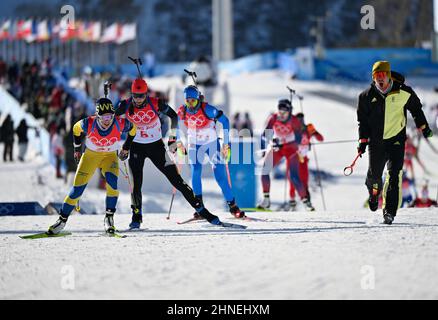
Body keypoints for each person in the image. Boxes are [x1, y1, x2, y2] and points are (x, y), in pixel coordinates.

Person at [115, 78, 221, 229]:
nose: (138, 99)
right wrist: (125, 145)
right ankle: (136, 217)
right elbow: (110, 120)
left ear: (146, 94)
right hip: (136, 147)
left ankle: (201, 210)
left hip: (156, 147)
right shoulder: (125, 105)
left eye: (141, 96)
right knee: (136, 184)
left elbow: (174, 116)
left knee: (176, 180)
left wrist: (172, 138)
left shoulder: (155, 103)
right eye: (135, 95)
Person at [356, 61, 433, 225]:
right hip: (376, 143)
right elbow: (363, 122)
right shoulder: (365, 97)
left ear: (389, 76)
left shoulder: (404, 92)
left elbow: (416, 110)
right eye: (377, 76)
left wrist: (423, 127)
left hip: (396, 141)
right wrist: (362, 141)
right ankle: (374, 193)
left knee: (394, 175)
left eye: (383, 75)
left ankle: (389, 212)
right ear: (373, 77)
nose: (380, 79)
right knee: (375, 177)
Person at [47, 98, 137, 235]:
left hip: (109, 157)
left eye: (110, 116)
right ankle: (61, 220)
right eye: (104, 117)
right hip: (90, 157)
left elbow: (133, 129)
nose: (108, 120)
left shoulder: (120, 123)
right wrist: (77, 149)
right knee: (77, 190)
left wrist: (126, 148)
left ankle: (109, 218)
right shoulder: (88, 123)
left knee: (113, 185)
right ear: (98, 116)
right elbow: (75, 129)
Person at [176, 85, 246, 219]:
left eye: (193, 101)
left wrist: (226, 144)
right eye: (188, 101)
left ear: (198, 100)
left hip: (212, 144)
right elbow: (175, 123)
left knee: (219, 175)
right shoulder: (183, 111)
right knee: (195, 171)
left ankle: (232, 206)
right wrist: (178, 142)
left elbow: (225, 121)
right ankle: (199, 207)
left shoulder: (207, 109)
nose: (190, 104)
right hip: (194, 144)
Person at [258, 99, 314, 211]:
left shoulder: (294, 121)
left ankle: (305, 201)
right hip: (278, 148)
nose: (281, 114)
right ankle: (266, 200)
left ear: (289, 111)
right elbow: (266, 134)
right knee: (265, 170)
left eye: (284, 111)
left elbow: (298, 139)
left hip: (290, 148)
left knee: (293, 176)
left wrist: (282, 141)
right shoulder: (273, 118)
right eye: (280, 111)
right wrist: (272, 141)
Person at [288, 113, 324, 211]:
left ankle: (307, 202)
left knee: (304, 182)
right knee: (292, 181)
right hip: (293, 159)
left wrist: (315, 132)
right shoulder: (291, 129)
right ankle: (292, 201)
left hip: (303, 160)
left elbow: (321, 139)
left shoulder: (308, 129)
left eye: (301, 120)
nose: (300, 122)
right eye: (298, 120)